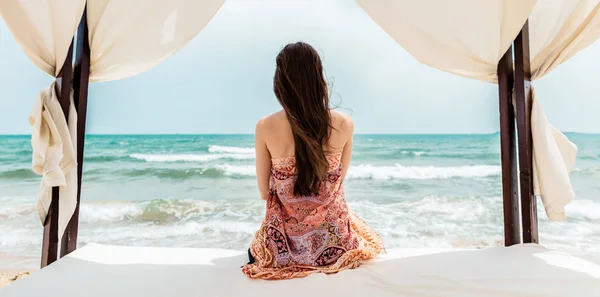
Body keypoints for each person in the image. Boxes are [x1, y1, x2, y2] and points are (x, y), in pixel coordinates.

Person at [241, 42, 385, 280]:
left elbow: (265, 193)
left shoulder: (265, 126)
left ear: (281, 82)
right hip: (336, 247)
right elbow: (336, 185)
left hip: (283, 251)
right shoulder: (344, 124)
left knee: (255, 248)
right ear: (319, 78)